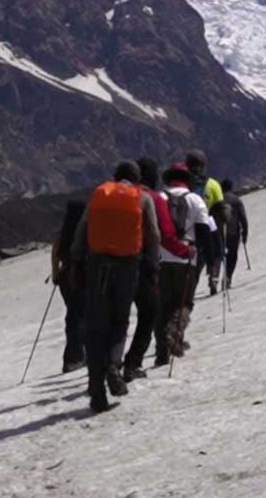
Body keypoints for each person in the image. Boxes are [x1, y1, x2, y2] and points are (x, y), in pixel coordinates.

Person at [69, 161, 161, 413]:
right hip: (128, 266)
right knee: (120, 321)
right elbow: (153, 235)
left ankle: (97, 393)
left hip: (97, 265)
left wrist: (76, 261)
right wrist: (152, 266)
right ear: (137, 179)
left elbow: (83, 227)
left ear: (115, 176)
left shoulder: (100, 194)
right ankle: (114, 364)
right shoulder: (142, 198)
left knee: (96, 326)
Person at [123, 157, 183, 381]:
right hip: (143, 265)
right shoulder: (152, 198)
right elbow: (165, 235)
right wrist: (185, 252)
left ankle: (109, 362)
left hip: (109, 266)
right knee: (150, 313)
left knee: (117, 317)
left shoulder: (113, 196)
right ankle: (134, 362)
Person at [161, 162, 213, 360]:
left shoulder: (160, 198)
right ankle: (175, 333)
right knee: (184, 301)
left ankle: (161, 353)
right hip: (187, 256)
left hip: (161, 256)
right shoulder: (195, 200)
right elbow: (203, 232)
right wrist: (207, 257)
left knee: (164, 303)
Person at [49, 200, 87, 373]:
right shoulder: (85, 229)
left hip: (65, 277)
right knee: (81, 316)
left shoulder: (64, 231)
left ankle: (74, 357)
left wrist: (56, 274)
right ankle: (77, 356)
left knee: (73, 314)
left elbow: (55, 253)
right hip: (81, 276)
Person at [185, 150, 227, 296]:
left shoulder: (184, 185)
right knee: (217, 252)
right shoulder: (213, 184)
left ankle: (190, 286)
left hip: (189, 227)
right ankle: (214, 278)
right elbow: (221, 209)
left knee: (196, 260)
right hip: (208, 223)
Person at [219, 179, 249, 290]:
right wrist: (245, 234)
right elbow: (243, 219)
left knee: (222, 256)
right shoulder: (236, 200)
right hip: (233, 233)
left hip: (219, 232)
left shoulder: (218, 199)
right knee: (233, 256)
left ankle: (215, 276)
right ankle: (228, 277)